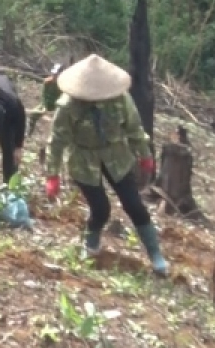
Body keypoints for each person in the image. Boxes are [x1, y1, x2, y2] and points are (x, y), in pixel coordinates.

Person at [45, 54, 167, 275]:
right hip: (83, 159)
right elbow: (57, 140)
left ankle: (155, 254)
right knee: (101, 209)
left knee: (134, 205)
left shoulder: (120, 99)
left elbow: (134, 128)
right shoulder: (68, 106)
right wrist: (52, 175)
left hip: (116, 156)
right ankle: (90, 245)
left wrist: (145, 155)